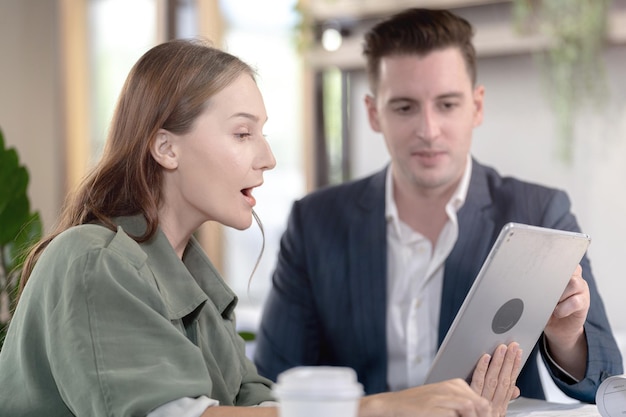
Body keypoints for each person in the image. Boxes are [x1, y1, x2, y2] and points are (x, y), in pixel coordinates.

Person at [0, 38, 516, 417]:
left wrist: (435, 407)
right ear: (166, 147)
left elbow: (257, 404)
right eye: (243, 133)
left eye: (263, 134)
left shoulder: (193, 282)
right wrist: (385, 409)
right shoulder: (93, 261)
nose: (267, 158)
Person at [254, 6, 623, 406]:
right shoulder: (315, 223)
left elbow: (605, 383)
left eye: (447, 105)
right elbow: (271, 383)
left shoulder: (539, 211)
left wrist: (566, 337)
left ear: (476, 107)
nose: (428, 130)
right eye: (405, 107)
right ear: (374, 113)